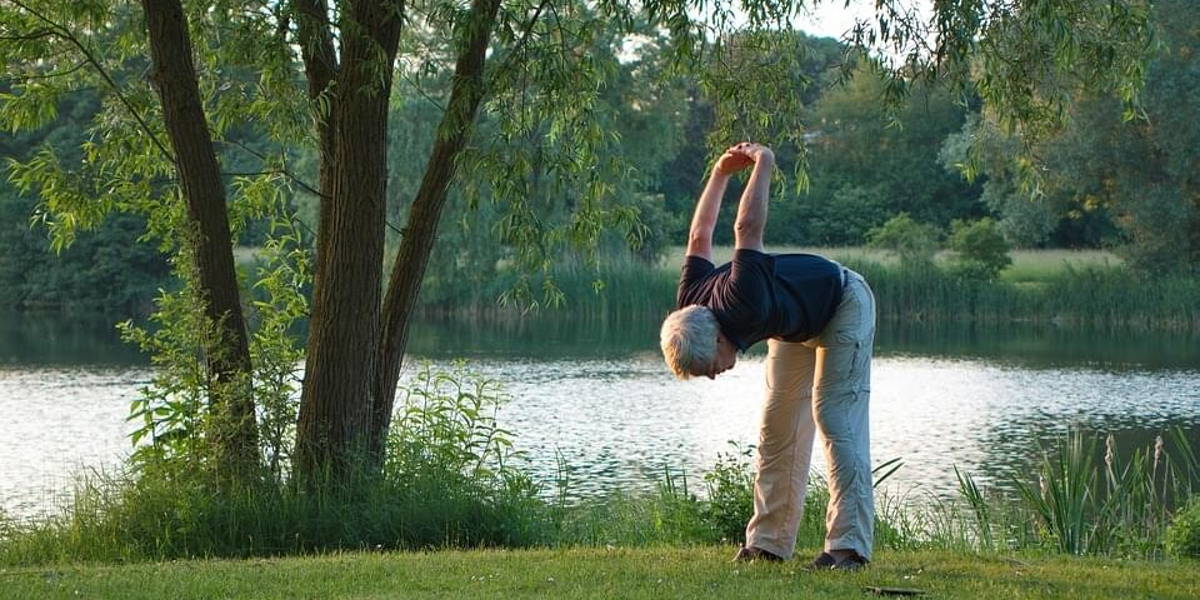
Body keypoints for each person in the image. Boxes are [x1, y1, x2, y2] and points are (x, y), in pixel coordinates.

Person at [659, 142, 877, 570]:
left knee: (834, 417)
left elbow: (746, 228)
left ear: (718, 339)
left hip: (843, 303)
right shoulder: (690, 301)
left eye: (709, 369)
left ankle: (848, 548)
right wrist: (719, 173)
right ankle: (768, 544)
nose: (715, 377)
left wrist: (764, 163)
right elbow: (699, 236)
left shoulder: (742, 301)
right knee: (777, 428)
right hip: (794, 324)